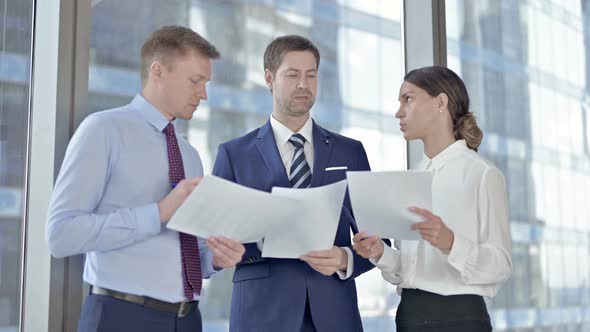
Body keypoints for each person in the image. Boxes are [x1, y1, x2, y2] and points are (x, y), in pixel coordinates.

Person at [46, 26, 245, 332]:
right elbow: (60, 235)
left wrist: (216, 258)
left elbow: (191, 251)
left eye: (206, 83)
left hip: (188, 319)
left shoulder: (190, 155)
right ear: (158, 72)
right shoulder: (103, 130)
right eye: (195, 81)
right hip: (121, 317)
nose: (204, 94)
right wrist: (159, 213)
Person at [212, 35, 384, 332]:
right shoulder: (234, 154)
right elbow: (215, 235)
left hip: (334, 313)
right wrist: (264, 239)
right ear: (269, 78)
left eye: (311, 75)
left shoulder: (349, 151)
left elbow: (378, 239)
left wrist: (345, 258)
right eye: (292, 75)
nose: (303, 84)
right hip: (261, 313)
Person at [352, 66, 512, 332]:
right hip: (410, 317)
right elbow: (411, 271)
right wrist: (381, 253)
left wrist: (451, 242)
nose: (399, 112)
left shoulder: (483, 174)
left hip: (460, 320)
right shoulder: (413, 176)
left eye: (409, 99)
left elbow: (501, 266)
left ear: (440, 102)